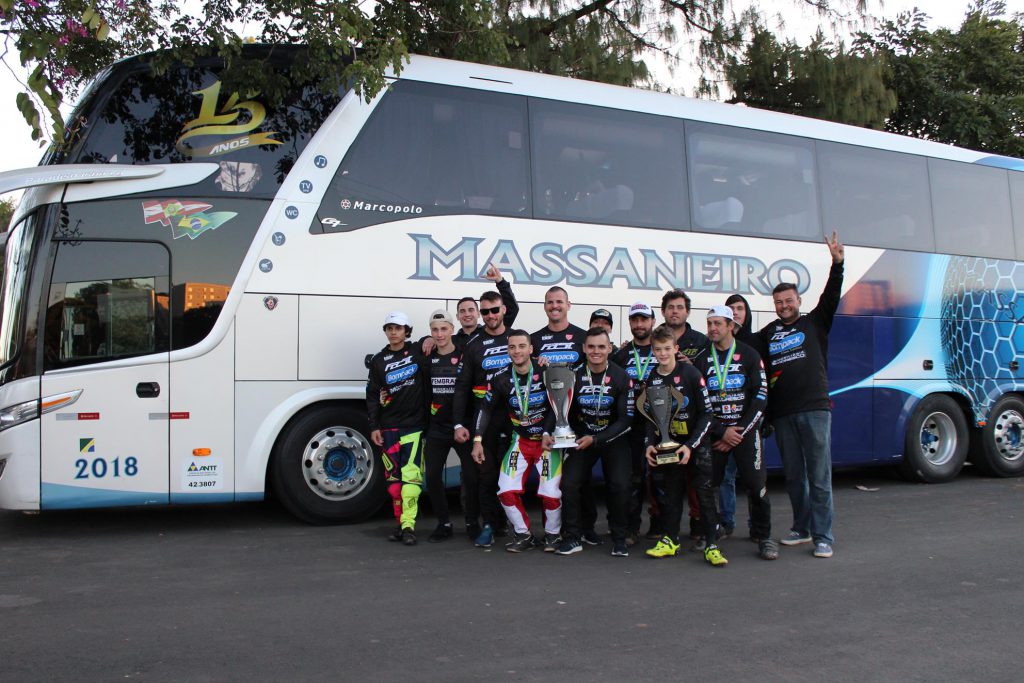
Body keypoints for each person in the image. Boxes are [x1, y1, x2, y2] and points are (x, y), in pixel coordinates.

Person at [757, 231, 845, 559]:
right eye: (779, 302)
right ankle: (802, 528)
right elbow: (741, 346)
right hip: (783, 414)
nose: (784, 306)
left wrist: (838, 264)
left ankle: (824, 537)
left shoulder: (815, 323)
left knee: (819, 476)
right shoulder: (768, 333)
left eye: (789, 300)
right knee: (794, 476)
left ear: (798, 301)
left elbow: (832, 295)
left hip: (815, 409)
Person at [694, 305, 777, 561]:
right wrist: (721, 431)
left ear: (731, 326)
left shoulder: (750, 355)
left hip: (745, 433)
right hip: (716, 434)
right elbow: (699, 404)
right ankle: (713, 532)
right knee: (708, 485)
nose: (712, 329)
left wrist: (738, 433)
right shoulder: (701, 359)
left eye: (718, 323)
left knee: (756, 484)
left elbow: (761, 397)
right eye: (709, 324)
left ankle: (764, 537)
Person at [471, 330, 562, 553]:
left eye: (522, 346)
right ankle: (523, 534)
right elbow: (486, 408)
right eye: (512, 347)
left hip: (547, 443)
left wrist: (548, 432)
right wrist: (477, 440)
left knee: (551, 494)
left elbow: (557, 405)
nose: (517, 351)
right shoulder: (500, 377)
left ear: (531, 349)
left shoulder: (545, 370)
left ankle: (553, 535)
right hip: (520, 441)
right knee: (505, 491)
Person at [641, 326, 722, 566]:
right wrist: (649, 444)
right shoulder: (652, 377)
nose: (663, 354)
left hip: (696, 444)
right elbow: (649, 417)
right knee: (671, 493)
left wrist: (691, 445)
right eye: (658, 349)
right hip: (669, 445)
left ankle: (712, 545)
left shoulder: (691, 373)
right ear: (653, 351)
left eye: (667, 348)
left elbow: (708, 415)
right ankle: (670, 540)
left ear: (676, 348)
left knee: (704, 494)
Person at [530, 287, 602, 545]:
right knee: (549, 479)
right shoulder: (535, 339)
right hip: (547, 418)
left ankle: (588, 528)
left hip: (578, 417)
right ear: (545, 306)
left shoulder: (583, 337)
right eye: (550, 302)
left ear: (568, 305)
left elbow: (598, 365)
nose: (555, 306)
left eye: (559, 301)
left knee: (580, 478)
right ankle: (552, 531)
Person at [556, 327, 635, 557]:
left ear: (610, 348)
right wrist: (551, 432)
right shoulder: (573, 375)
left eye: (601, 346)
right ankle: (573, 536)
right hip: (583, 438)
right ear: (584, 348)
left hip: (613, 439)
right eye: (591, 347)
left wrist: (598, 438)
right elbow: (560, 410)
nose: (596, 351)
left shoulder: (622, 377)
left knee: (620, 485)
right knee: (570, 483)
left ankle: (619, 538)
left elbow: (627, 419)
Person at [452, 291, 513, 546]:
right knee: (486, 476)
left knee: (510, 475)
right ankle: (489, 524)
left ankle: (518, 526)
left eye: (494, 310)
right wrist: (458, 423)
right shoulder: (474, 344)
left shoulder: (516, 338)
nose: (490, 316)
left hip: (515, 418)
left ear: (503, 310)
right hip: (484, 418)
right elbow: (462, 386)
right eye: (485, 311)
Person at [366, 311, 431, 545]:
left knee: (411, 482)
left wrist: (429, 340)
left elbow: (433, 344)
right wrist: (374, 426)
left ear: (406, 330)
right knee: (394, 486)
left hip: (413, 426)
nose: (393, 332)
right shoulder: (378, 360)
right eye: (389, 328)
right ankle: (399, 523)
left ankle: (409, 526)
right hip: (388, 428)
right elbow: (372, 396)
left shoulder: (417, 351)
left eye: (398, 328)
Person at [660, 288, 710, 543]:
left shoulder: (700, 341)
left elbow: (708, 377)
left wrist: (689, 369)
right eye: (671, 307)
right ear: (663, 311)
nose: (675, 311)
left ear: (687, 311)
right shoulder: (655, 337)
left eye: (680, 307)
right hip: (665, 428)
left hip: (693, 425)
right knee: (667, 482)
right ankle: (666, 531)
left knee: (698, 484)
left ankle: (700, 528)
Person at [611, 301, 659, 545]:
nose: (639, 324)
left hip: (661, 426)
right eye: (635, 320)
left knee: (661, 478)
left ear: (652, 321)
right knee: (633, 479)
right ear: (629, 323)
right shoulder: (620, 355)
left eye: (644, 319)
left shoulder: (663, 350)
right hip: (631, 426)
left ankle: (661, 527)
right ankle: (631, 528)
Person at [422, 309, 468, 543]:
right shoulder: (427, 357)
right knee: (432, 477)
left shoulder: (464, 354)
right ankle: (444, 523)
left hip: (461, 427)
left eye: (443, 329)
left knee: (471, 477)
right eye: (434, 330)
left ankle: (473, 524)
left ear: (452, 329)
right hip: (437, 428)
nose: (439, 334)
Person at [719, 293, 756, 538]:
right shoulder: (713, 349)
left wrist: (750, 424)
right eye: (730, 309)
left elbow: (762, 388)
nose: (735, 312)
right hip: (723, 428)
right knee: (725, 478)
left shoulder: (756, 343)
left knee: (754, 480)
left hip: (748, 425)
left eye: (740, 308)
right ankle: (726, 523)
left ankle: (757, 529)